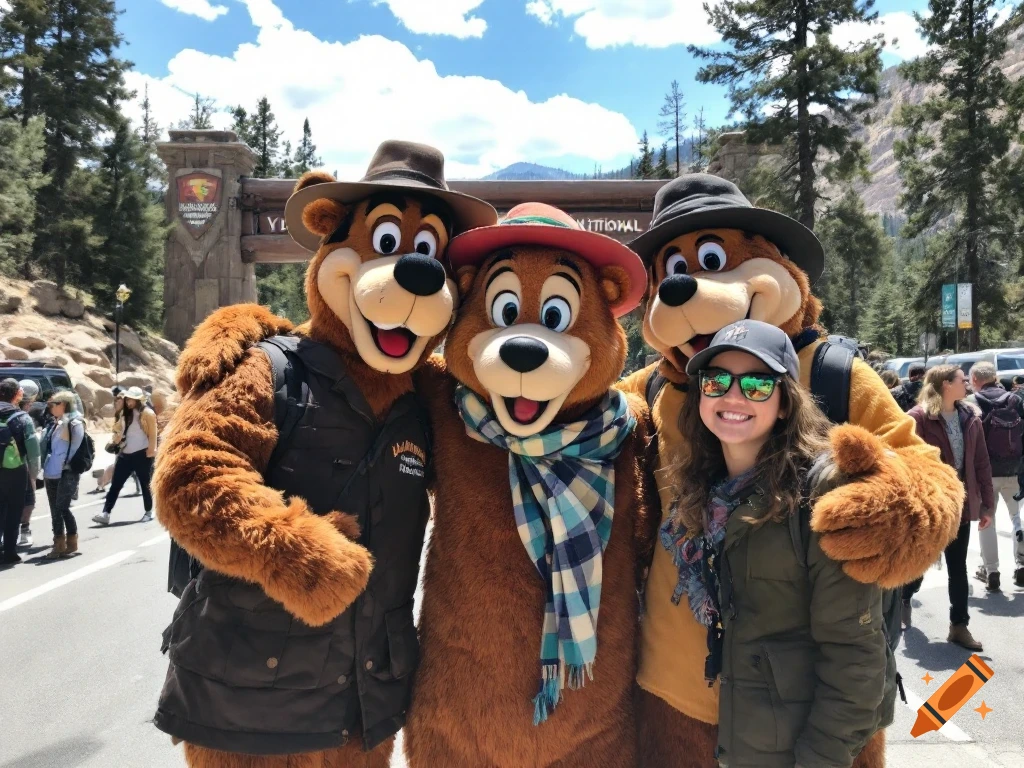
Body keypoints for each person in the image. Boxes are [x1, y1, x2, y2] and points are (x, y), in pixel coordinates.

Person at [660, 321, 888, 768]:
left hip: (799, 750)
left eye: (758, 384)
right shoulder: (706, 490)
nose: (733, 396)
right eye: (718, 379)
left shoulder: (823, 495)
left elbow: (857, 659)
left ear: (785, 403)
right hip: (745, 741)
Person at [903, 365, 993, 651]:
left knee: (958, 567)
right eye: (961, 379)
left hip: (961, 504)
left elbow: (981, 462)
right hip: (930, 503)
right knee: (920, 561)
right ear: (944, 385)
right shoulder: (918, 418)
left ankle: (959, 626)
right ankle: (904, 598)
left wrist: (987, 504)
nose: (966, 383)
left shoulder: (970, 416)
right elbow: (904, 461)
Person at [968, 362, 1024, 590]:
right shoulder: (1016, 400)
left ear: (974, 380)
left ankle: (991, 571)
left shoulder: (973, 403)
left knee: (987, 520)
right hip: (1014, 470)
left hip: (986, 473)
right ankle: (1021, 566)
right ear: (995, 377)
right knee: (1016, 518)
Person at [93, 386, 156, 525]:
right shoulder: (124, 414)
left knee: (146, 485)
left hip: (142, 454)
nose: (129, 402)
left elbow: (153, 434)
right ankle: (106, 513)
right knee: (115, 485)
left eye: (131, 399)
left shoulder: (148, 413)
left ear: (138, 400)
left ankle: (148, 511)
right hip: (125, 454)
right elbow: (119, 430)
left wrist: (151, 451)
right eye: (128, 399)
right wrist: (115, 439)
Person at [40, 390, 85, 558]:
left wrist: (66, 465)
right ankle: (61, 543)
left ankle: (67, 542)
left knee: (61, 507)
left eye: (54, 404)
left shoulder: (75, 423)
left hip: (66, 472)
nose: (51, 407)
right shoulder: (55, 423)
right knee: (55, 509)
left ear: (63, 405)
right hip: (50, 472)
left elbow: (74, 450)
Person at [1, 378, 32, 564]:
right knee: (13, 510)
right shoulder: (20, 416)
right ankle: (10, 552)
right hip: (14, 469)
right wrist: (34, 475)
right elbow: (33, 450)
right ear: (17, 394)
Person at [90, 391, 140, 496]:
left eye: (119, 399)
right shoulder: (119, 413)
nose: (116, 401)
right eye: (116, 399)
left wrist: (119, 442)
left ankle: (105, 485)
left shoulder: (129, 413)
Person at [16, 380, 42, 548]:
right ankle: (25, 531)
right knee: (28, 500)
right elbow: (33, 450)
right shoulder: (25, 419)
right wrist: (35, 472)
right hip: (21, 466)